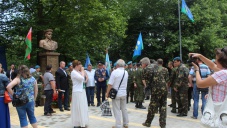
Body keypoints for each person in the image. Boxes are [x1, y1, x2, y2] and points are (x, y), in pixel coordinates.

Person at [141, 58, 169, 128]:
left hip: (155, 90)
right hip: (164, 89)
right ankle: (163, 125)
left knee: (152, 106)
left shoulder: (147, 69)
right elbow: (167, 80)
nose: (141, 65)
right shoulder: (165, 69)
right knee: (163, 107)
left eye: (142, 64)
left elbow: (144, 79)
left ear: (145, 64)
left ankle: (148, 122)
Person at [106, 59, 129, 128]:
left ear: (117, 65)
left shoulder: (115, 72)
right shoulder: (126, 72)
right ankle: (126, 123)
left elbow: (110, 84)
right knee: (124, 108)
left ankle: (118, 125)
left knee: (116, 109)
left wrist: (107, 93)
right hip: (124, 93)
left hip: (116, 93)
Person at [71, 60, 89, 128]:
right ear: (76, 66)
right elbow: (81, 78)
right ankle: (77, 123)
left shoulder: (78, 72)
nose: (81, 66)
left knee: (83, 107)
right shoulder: (73, 72)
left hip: (81, 90)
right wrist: (82, 71)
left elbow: (83, 80)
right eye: (79, 65)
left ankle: (83, 121)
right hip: (77, 91)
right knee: (78, 107)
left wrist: (86, 78)